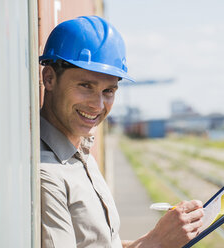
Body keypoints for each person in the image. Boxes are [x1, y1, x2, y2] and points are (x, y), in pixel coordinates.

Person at [39, 16, 204, 248]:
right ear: (49, 79)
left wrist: (158, 238)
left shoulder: (82, 154)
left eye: (108, 91)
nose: (98, 105)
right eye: (85, 86)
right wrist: (155, 243)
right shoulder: (46, 174)